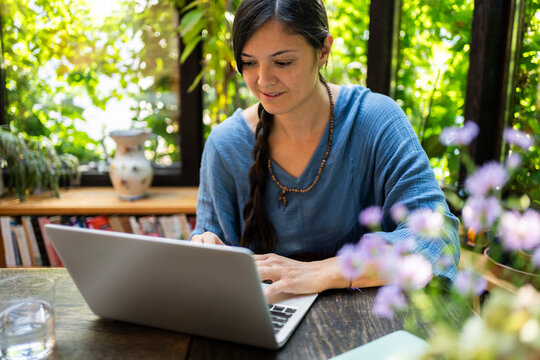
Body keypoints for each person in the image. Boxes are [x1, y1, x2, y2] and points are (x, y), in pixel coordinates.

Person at [191, 0, 459, 298]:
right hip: (265, 321)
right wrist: (204, 247)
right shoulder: (225, 144)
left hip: (369, 319)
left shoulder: (375, 120)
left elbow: (438, 241)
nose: (263, 80)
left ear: (324, 51)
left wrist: (325, 271)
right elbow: (207, 246)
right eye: (250, 62)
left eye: (283, 62)